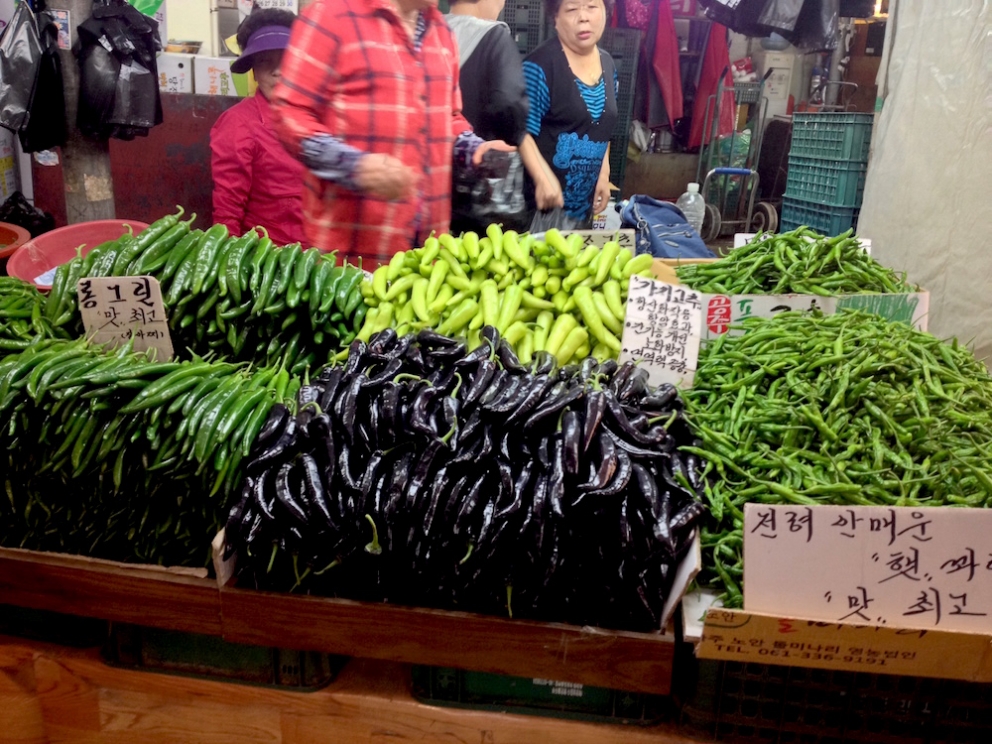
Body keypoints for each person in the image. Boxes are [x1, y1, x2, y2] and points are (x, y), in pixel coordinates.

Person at [271, 0, 514, 268]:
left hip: (429, 253)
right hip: (351, 261)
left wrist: (473, 148)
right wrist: (354, 167)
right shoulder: (331, 16)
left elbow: (448, 116)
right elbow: (290, 112)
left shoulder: (441, 33)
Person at [520, 0, 618, 230]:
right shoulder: (539, 66)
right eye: (572, 9)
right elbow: (519, 132)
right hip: (540, 211)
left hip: (583, 210)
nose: (583, 17)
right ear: (555, 18)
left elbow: (603, 127)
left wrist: (604, 173)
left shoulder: (608, 63)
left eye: (592, 7)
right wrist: (542, 178)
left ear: (605, 12)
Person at [210, 9, 305, 246]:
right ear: (253, 70)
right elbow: (227, 210)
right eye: (265, 61)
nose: (278, 71)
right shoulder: (238, 124)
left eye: (286, 59)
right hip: (269, 262)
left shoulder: (322, 116)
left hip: (330, 260)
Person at [445, 0, 530, 234]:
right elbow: (510, 104)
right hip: (478, 192)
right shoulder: (495, 36)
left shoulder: (434, 33)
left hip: (435, 194)